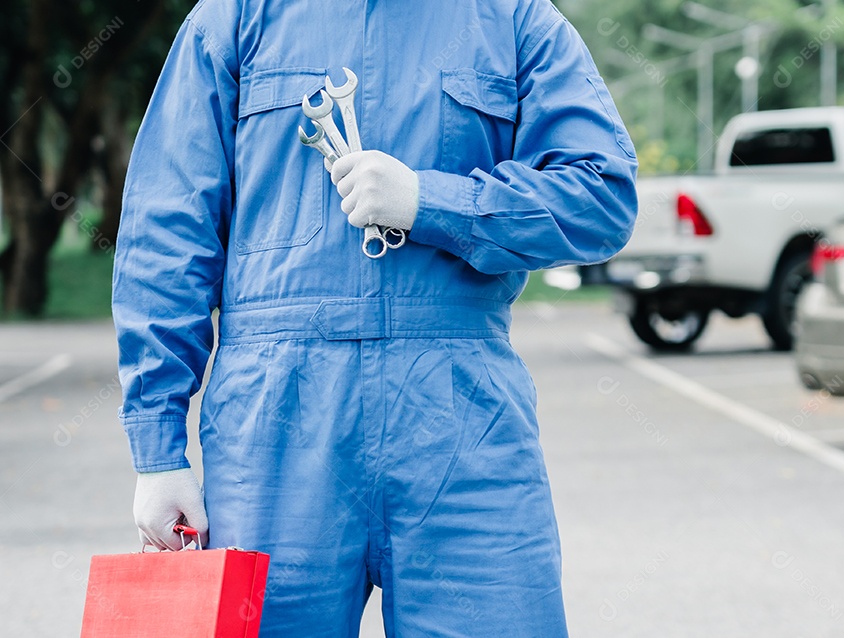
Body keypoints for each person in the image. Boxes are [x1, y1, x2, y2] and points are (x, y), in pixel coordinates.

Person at [113, 0, 637, 635]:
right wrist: (158, 451)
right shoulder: (236, 16)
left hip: (464, 431)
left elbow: (601, 195)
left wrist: (432, 201)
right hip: (274, 431)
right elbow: (167, 230)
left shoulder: (514, 18)